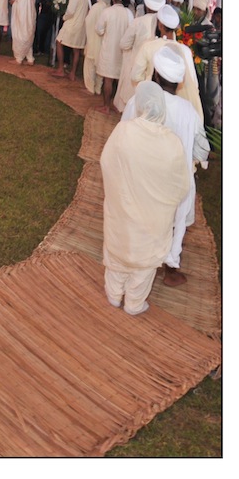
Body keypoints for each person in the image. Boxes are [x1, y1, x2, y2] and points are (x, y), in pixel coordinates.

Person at [121, 49, 210, 289]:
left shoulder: (138, 101)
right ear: (179, 82)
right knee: (174, 220)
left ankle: (135, 264)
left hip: (143, 177)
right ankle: (170, 269)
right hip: (175, 182)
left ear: (156, 76)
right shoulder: (188, 110)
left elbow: (123, 133)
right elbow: (202, 150)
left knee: (140, 218)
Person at [100, 81, 189, 316]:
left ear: (140, 104)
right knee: (144, 265)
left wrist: (119, 192)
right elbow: (181, 185)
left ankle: (113, 295)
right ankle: (134, 304)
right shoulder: (172, 143)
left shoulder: (123, 131)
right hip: (153, 221)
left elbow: (106, 163)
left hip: (122, 212)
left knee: (117, 254)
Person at [113, 0, 165, 112]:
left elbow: (124, 44)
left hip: (136, 70)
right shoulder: (164, 26)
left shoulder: (139, 22)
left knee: (129, 105)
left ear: (146, 5)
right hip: (154, 75)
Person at [50, 0, 89, 83]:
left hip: (71, 23)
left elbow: (71, 11)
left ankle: (61, 69)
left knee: (59, 42)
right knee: (76, 49)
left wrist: (64, 17)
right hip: (81, 25)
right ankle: (72, 73)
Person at [82, 0, 112, 95]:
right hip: (103, 43)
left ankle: (90, 87)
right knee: (100, 67)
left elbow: (88, 20)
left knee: (90, 65)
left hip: (93, 39)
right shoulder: (109, 9)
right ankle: (98, 88)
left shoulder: (96, 7)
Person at [10, 0, 37, 65]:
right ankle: (30, 58)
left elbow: (21, 6)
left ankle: (19, 58)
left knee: (21, 36)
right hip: (30, 18)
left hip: (23, 18)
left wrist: (13, 3)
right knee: (28, 36)